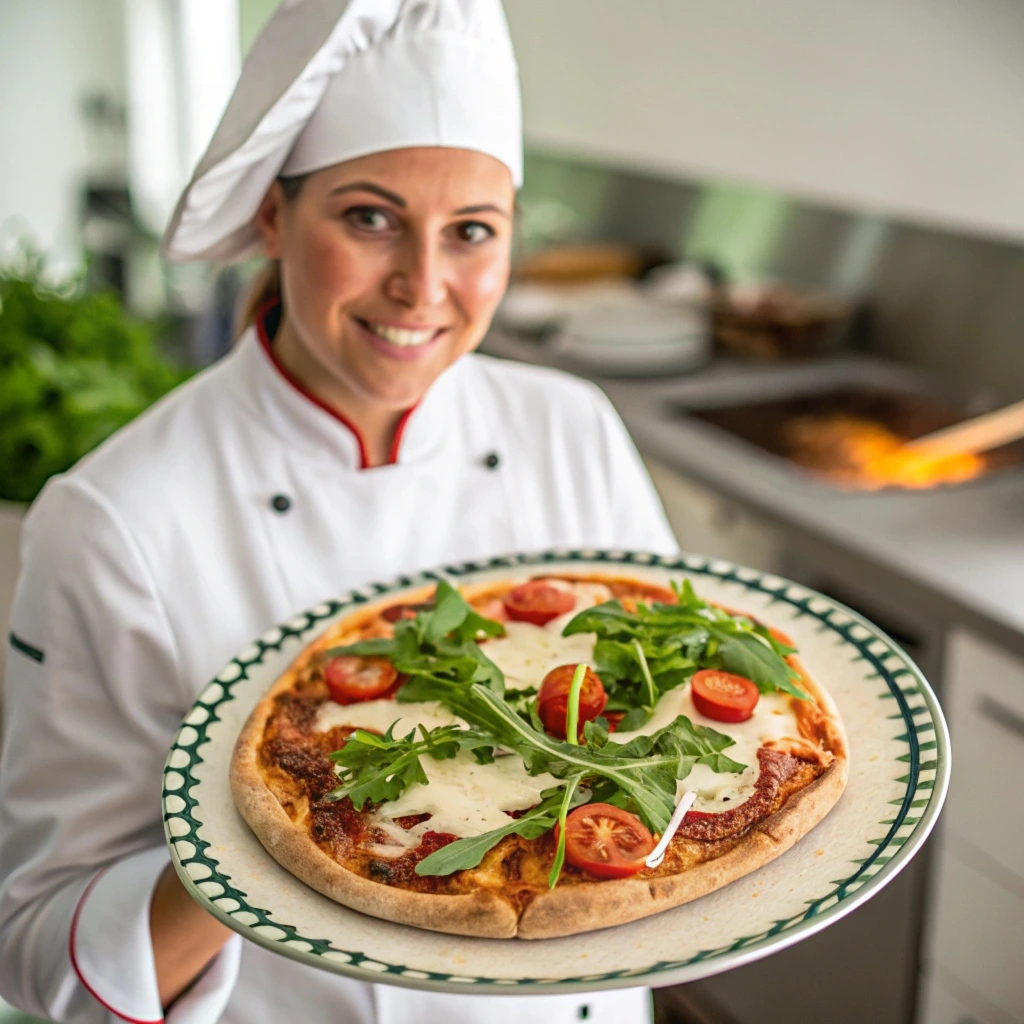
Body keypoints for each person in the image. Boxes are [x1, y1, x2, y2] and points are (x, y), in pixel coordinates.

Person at [0, 1, 677, 1021]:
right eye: (369, 217)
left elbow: (674, 720)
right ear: (273, 216)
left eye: (472, 232)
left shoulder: (570, 426)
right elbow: (42, 945)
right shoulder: (113, 520)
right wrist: (273, 834)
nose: (422, 285)